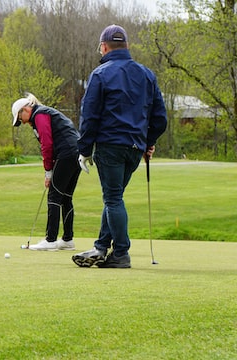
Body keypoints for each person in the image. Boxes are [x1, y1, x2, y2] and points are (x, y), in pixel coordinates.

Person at [72, 24, 168, 268]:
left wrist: (84, 149)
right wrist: (149, 143)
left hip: (110, 145)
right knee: (114, 198)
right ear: (127, 46)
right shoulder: (147, 74)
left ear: (104, 47)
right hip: (135, 148)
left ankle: (121, 253)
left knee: (113, 198)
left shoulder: (100, 73)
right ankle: (102, 246)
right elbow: (160, 119)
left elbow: (90, 115)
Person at [12, 93, 82, 251]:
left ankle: (50, 240)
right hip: (76, 153)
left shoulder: (40, 115)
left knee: (54, 196)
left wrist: (48, 172)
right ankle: (67, 240)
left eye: (20, 118)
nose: (22, 122)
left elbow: (47, 144)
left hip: (67, 154)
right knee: (65, 197)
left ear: (25, 110)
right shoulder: (43, 113)